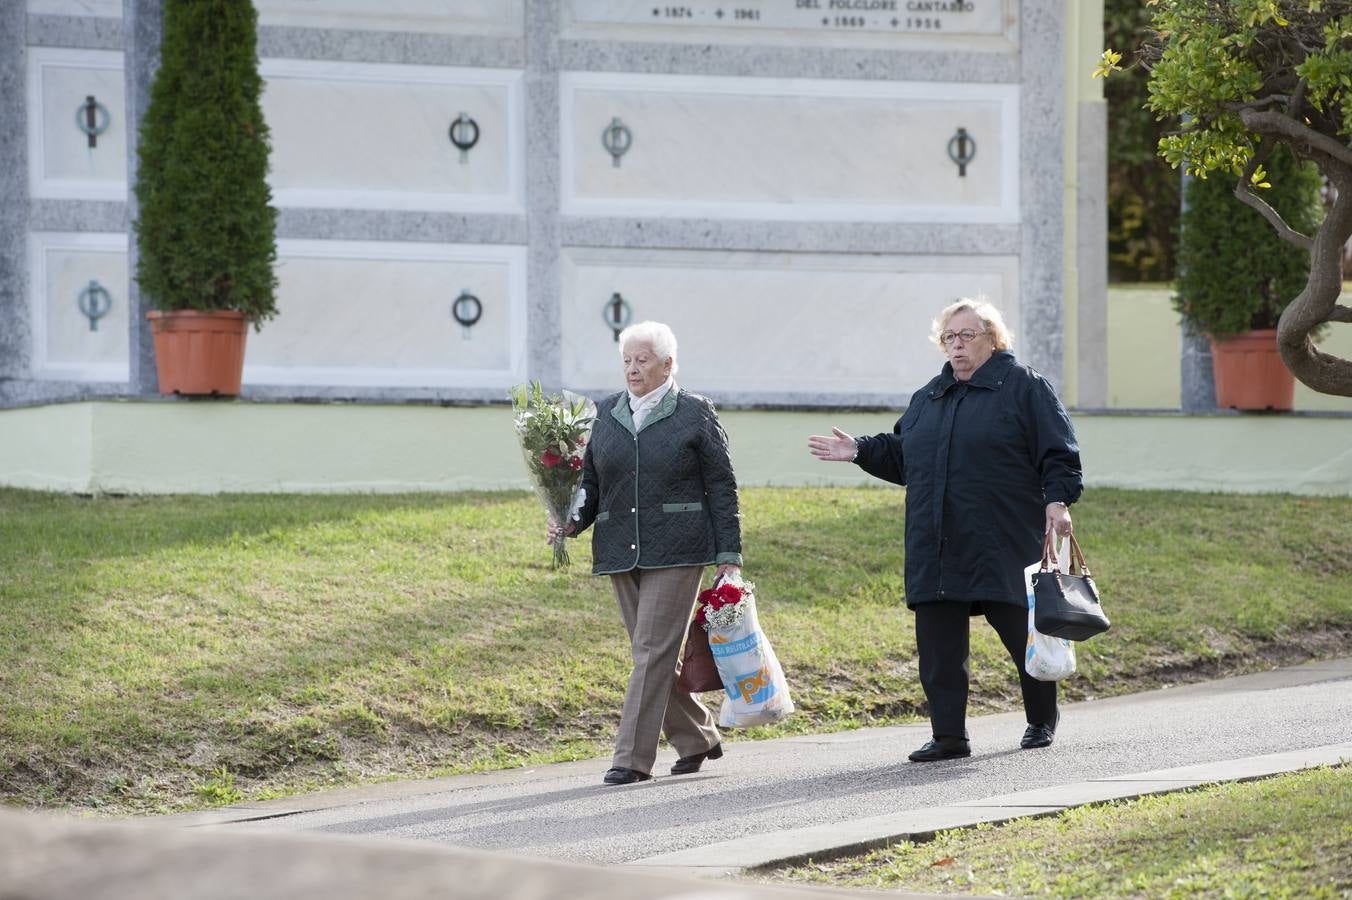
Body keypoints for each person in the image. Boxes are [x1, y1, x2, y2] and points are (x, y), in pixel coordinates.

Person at [808, 299, 1082, 762]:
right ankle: (949, 736)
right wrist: (858, 450)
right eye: (949, 338)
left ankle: (1040, 720)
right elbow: (904, 456)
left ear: (993, 339)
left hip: (1002, 537)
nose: (956, 345)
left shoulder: (1024, 387)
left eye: (967, 335)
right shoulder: (929, 397)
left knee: (1022, 635)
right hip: (936, 541)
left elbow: (1059, 451)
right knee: (938, 649)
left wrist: (1058, 500)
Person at [548, 321, 743, 785]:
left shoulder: (694, 412)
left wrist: (729, 554)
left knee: (652, 651)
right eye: (627, 361)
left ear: (667, 364)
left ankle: (631, 759)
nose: (632, 370)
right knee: (651, 653)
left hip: (678, 546)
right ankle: (698, 737)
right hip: (619, 546)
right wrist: (570, 518)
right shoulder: (604, 412)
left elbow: (722, 485)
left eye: (643, 361)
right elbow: (591, 484)